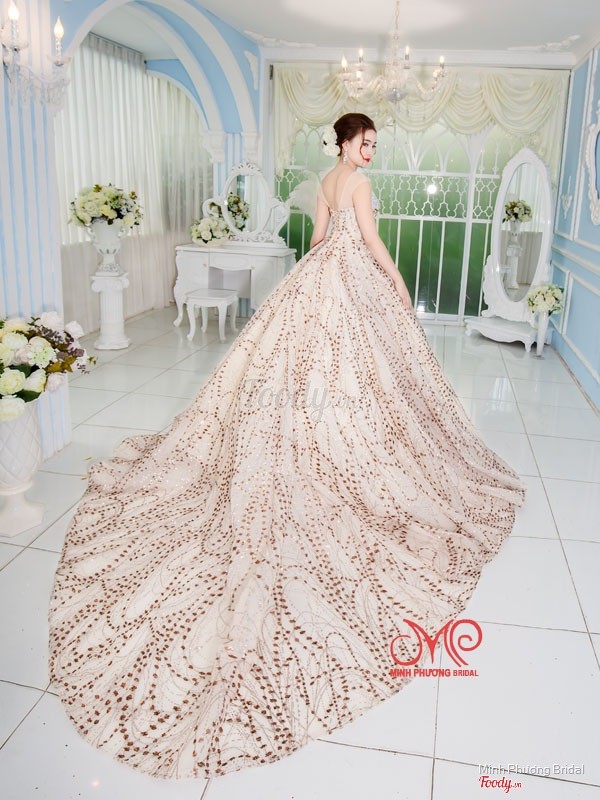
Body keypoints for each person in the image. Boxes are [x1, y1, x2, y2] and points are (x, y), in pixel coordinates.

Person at [49, 112, 527, 781]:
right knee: (361, 380)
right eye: (365, 143)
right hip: (350, 284)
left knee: (301, 377)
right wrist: (396, 284)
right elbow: (369, 242)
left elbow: (320, 241)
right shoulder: (359, 185)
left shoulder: (325, 181)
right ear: (346, 143)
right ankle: (344, 449)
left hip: (317, 279)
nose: (371, 152)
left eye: (374, 145)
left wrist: (321, 276)